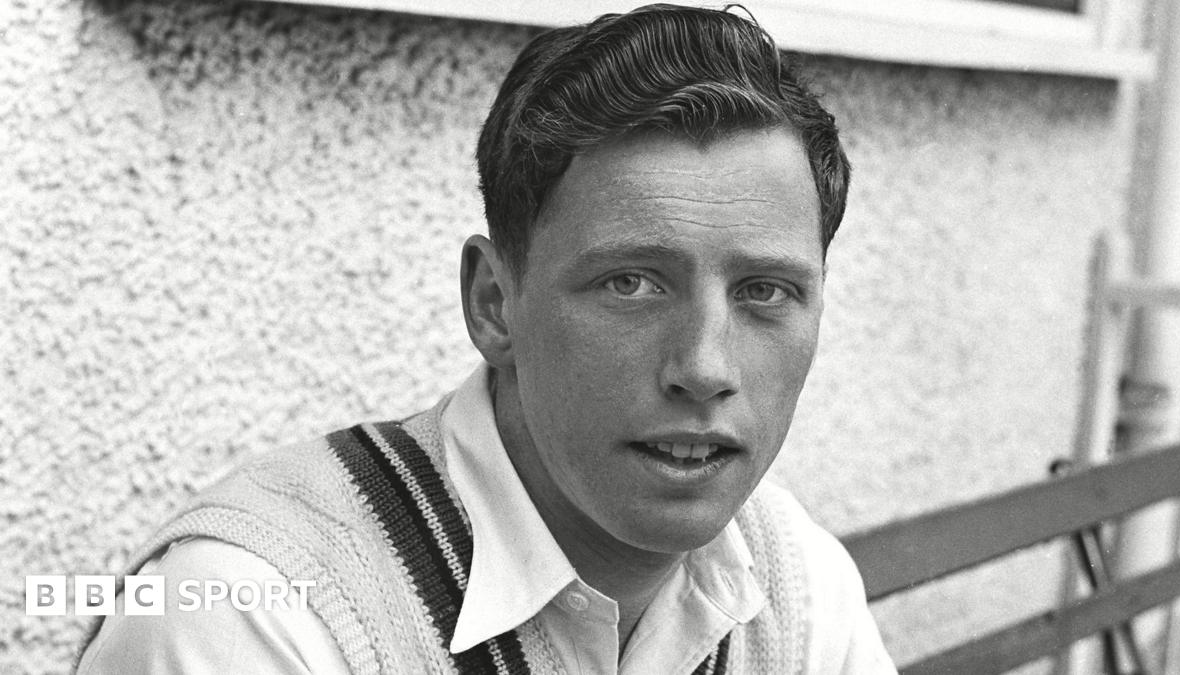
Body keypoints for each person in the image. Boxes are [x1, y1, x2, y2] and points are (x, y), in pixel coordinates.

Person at [78, 4, 896, 673]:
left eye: (765, 292)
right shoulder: (246, 618)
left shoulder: (798, 584)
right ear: (494, 303)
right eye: (632, 283)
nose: (705, 367)